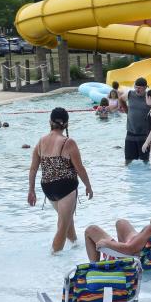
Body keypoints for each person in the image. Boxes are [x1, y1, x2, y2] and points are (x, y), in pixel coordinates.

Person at [27, 108, 93, 253]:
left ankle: (75, 245)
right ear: (66, 124)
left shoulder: (41, 142)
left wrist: (31, 190)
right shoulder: (68, 142)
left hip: (48, 188)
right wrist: (88, 186)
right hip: (66, 188)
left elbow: (33, 169)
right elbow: (79, 168)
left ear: (50, 122)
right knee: (62, 226)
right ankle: (54, 259)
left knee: (67, 221)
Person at [84, 187, 151, 261]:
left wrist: (106, 243)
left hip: (132, 256)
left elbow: (130, 249)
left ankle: (96, 268)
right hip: (142, 244)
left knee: (91, 230)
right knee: (121, 223)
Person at [122, 77, 151, 164]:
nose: (137, 90)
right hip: (130, 131)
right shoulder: (130, 94)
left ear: (145, 87)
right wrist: (127, 111)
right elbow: (121, 99)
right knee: (128, 159)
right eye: (136, 87)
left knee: (145, 160)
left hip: (144, 134)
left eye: (139, 88)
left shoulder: (149, 97)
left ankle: (145, 177)